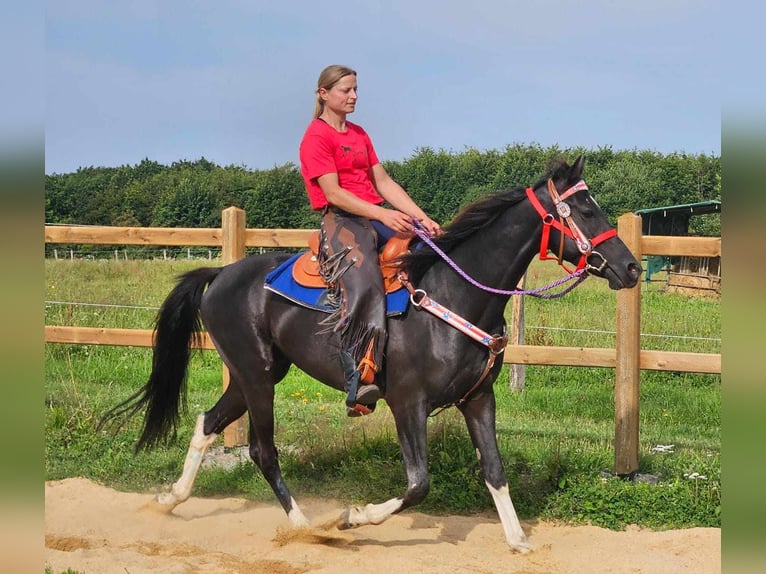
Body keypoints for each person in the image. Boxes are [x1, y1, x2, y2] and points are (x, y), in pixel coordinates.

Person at [299, 64, 441, 417]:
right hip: (343, 221)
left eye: (355, 89)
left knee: (431, 257)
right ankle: (359, 380)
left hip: (376, 214)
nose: (353, 96)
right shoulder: (316, 137)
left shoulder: (359, 134)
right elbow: (332, 192)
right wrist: (382, 215)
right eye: (346, 90)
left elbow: (384, 183)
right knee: (365, 286)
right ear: (324, 94)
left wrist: (421, 217)